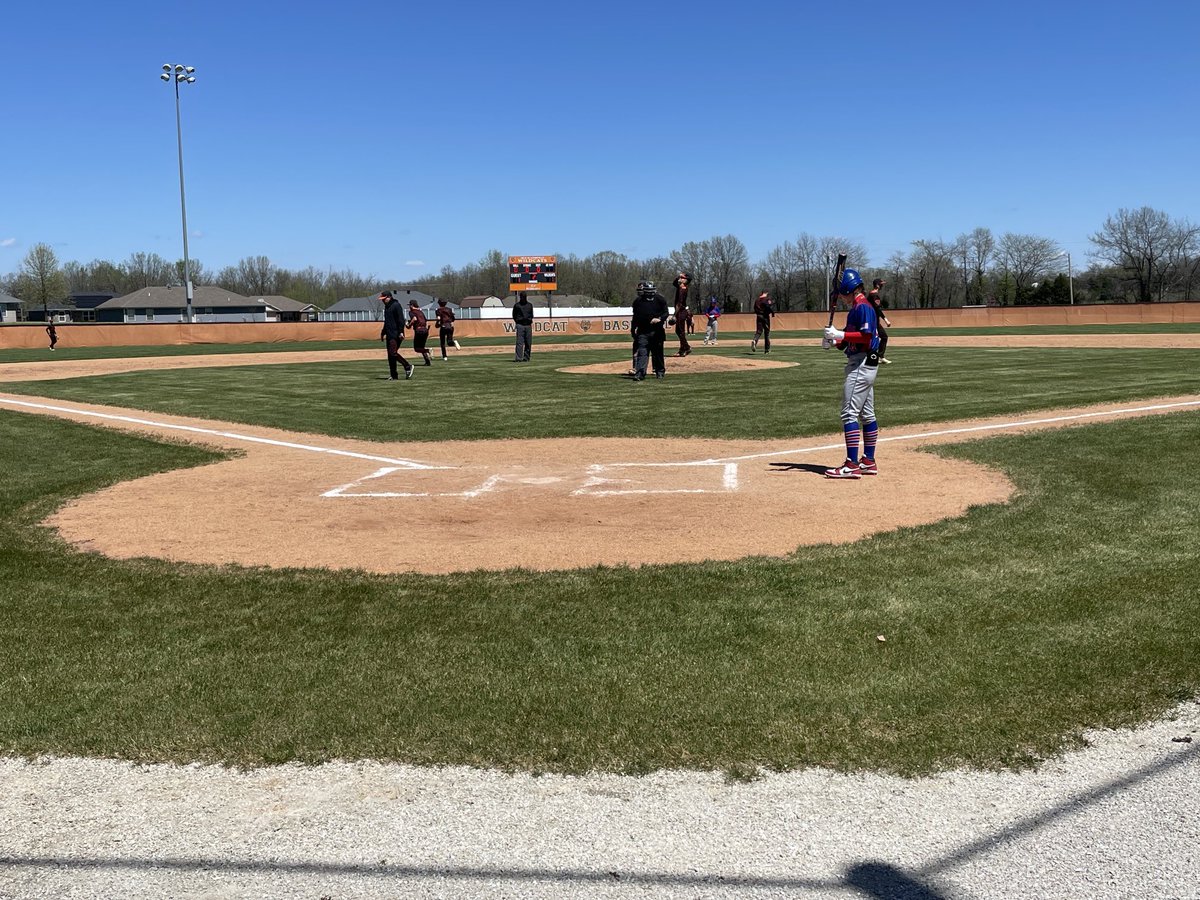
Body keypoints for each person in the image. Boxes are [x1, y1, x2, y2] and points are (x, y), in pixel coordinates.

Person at [822, 268, 880, 479]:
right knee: (867, 414)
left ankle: (851, 464)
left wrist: (840, 333)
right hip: (865, 363)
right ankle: (868, 461)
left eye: (841, 292)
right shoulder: (856, 308)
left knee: (849, 413)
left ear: (848, 288)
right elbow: (848, 340)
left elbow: (864, 337)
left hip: (861, 364)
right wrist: (834, 340)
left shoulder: (863, 307)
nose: (841, 297)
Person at [630, 280, 669, 381]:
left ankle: (660, 371)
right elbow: (635, 317)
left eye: (652, 291)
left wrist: (660, 318)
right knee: (643, 352)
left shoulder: (660, 299)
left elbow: (666, 313)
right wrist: (633, 329)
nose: (650, 294)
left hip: (657, 331)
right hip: (643, 331)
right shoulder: (638, 302)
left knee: (658, 353)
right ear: (644, 291)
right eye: (648, 291)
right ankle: (640, 373)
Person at [379, 291, 414, 380]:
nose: (383, 301)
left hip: (396, 334)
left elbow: (400, 320)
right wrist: (383, 332)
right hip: (389, 334)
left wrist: (401, 332)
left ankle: (407, 366)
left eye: (384, 299)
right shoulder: (387, 307)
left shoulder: (396, 305)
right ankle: (394, 375)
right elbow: (387, 321)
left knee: (392, 353)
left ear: (389, 297)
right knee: (390, 356)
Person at [867, 278, 893, 364]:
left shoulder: (872, 295)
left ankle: (879, 356)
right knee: (881, 337)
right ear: (877, 285)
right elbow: (877, 309)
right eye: (881, 284)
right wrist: (886, 320)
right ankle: (879, 357)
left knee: (879, 337)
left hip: (872, 320)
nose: (882, 285)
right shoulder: (874, 295)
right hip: (873, 321)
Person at [672, 272, 692, 357]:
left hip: (681, 311)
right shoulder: (680, 286)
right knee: (679, 331)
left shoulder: (682, 288)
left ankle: (686, 347)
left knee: (680, 331)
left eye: (682, 277)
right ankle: (682, 349)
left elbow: (679, 304)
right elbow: (674, 283)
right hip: (681, 311)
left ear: (686, 280)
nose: (680, 278)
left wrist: (674, 315)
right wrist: (678, 277)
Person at [407, 298, 433, 365]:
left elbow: (414, 319)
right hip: (425, 330)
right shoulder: (421, 312)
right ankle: (427, 362)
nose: (409, 307)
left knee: (417, 349)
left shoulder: (412, 312)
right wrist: (426, 329)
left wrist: (409, 325)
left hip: (419, 330)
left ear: (412, 305)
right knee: (422, 347)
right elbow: (426, 321)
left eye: (409, 305)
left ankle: (428, 350)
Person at [512, 292, 534, 362]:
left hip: (528, 325)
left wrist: (529, 320)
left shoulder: (530, 305)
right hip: (520, 325)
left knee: (528, 342)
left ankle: (526, 357)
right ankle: (518, 358)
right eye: (522, 296)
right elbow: (514, 315)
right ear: (520, 297)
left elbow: (531, 314)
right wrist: (518, 321)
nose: (523, 298)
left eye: (524, 296)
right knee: (519, 342)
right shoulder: (517, 306)